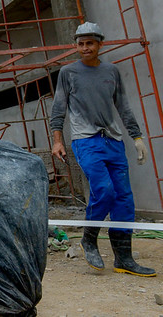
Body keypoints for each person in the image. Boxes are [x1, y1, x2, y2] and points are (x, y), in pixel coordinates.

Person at [50, 21, 155, 277]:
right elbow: (58, 109)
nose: (85, 48)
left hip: (113, 141)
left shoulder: (112, 71)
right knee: (104, 190)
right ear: (77, 45)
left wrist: (137, 137)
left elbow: (124, 106)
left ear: (100, 44)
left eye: (90, 43)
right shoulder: (68, 72)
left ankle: (123, 258)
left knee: (124, 199)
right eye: (81, 44)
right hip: (86, 141)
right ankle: (89, 237)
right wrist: (57, 140)